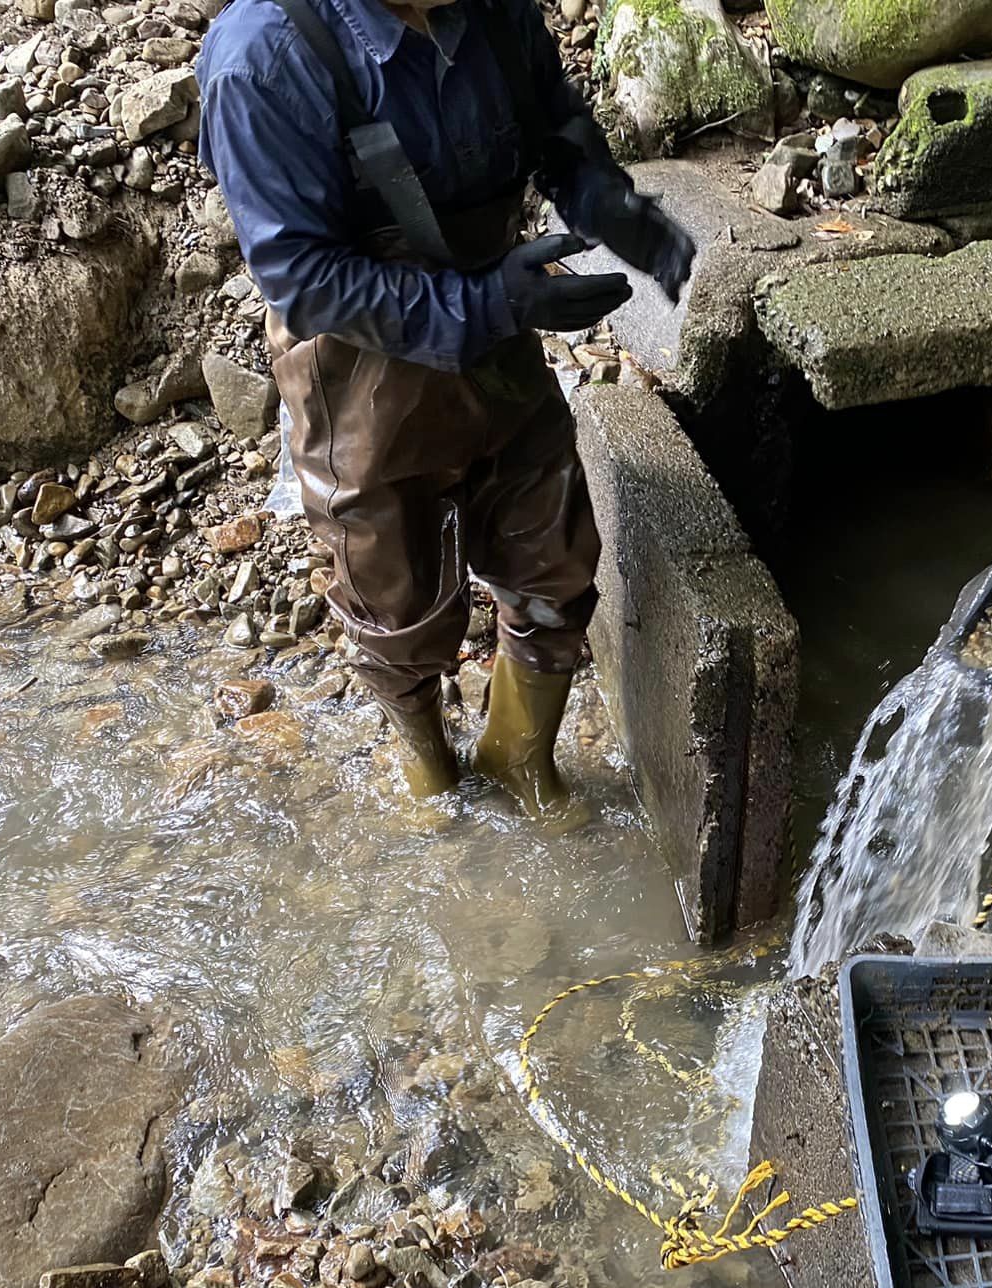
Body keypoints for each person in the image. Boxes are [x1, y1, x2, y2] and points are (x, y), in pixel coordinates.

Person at [196, 0, 693, 824]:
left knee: (555, 551)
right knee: (390, 591)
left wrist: (603, 199)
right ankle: (426, 767)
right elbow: (302, 276)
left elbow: (554, 123)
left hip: (496, 331)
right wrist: (494, 300)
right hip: (355, 360)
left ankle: (519, 757)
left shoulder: (494, 13)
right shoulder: (264, 54)